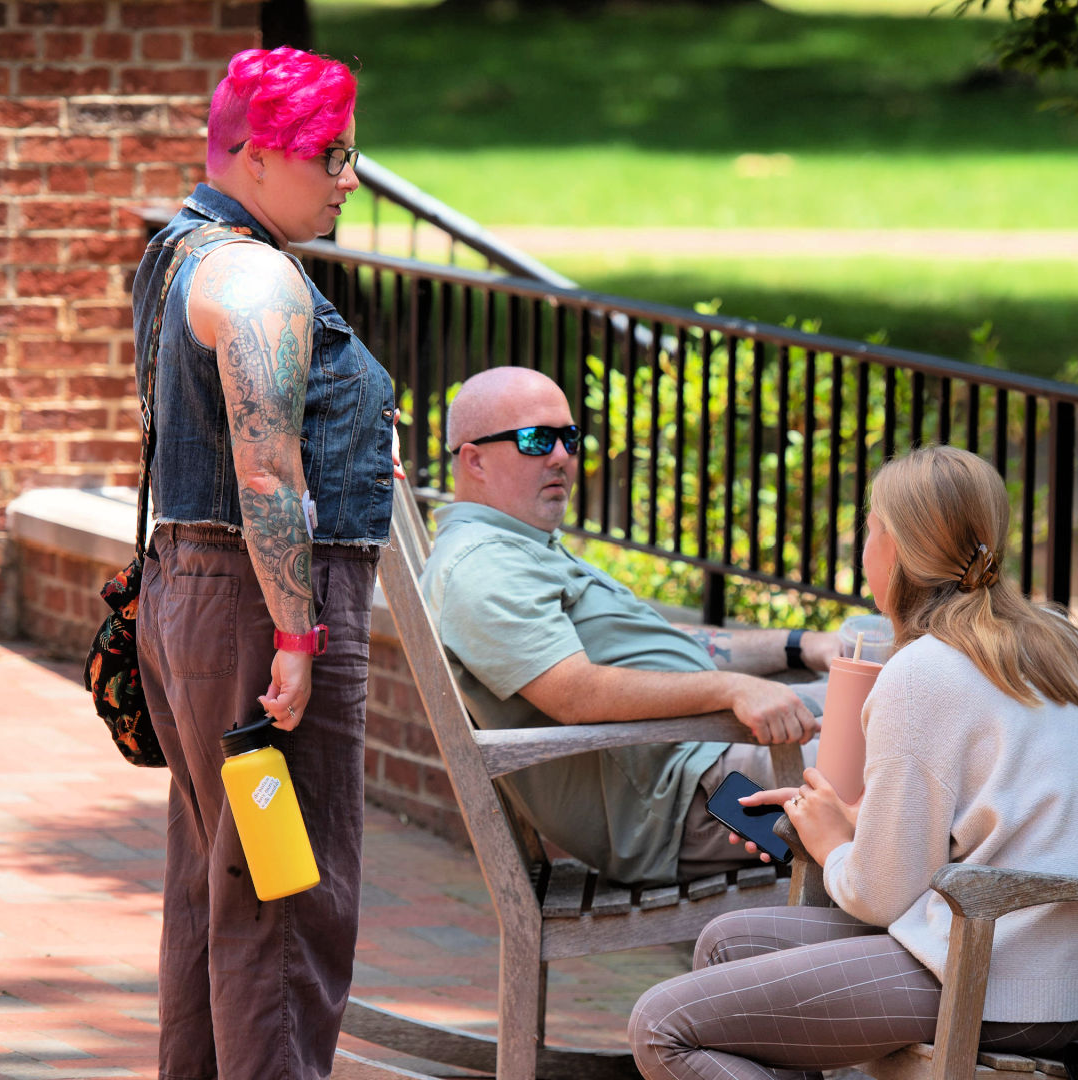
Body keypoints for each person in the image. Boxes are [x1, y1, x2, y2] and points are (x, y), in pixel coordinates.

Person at [627, 445, 1078, 1080]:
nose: (864, 546)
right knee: (727, 943)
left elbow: (878, 895)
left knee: (662, 1025)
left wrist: (831, 844)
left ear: (895, 549)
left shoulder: (923, 670)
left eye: (870, 527)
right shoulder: (1064, 642)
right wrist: (856, 827)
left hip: (1004, 980)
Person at [131, 47, 393, 1079]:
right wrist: (296, 634)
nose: (348, 177)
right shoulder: (253, 276)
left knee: (220, 892)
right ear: (253, 155)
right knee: (288, 909)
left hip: (196, 598)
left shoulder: (178, 250)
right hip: (262, 608)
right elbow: (269, 471)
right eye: (329, 154)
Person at [419, 365, 838, 886]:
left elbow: (668, 652)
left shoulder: (520, 547)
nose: (561, 457)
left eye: (568, 437)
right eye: (535, 440)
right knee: (915, 750)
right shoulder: (483, 568)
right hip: (705, 798)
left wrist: (800, 647)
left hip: (706, 759)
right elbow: (574, 695)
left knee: (890, 684)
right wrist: (732, 689)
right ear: (474, 459)